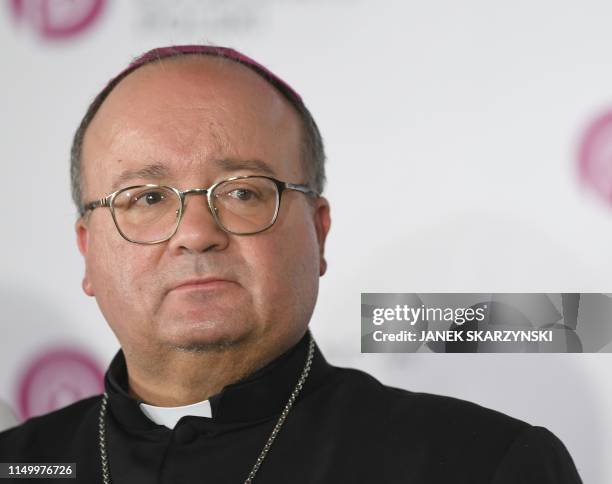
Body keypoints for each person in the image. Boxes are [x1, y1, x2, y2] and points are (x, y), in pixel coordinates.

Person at [0, 45, 583, 484]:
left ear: (319, 232)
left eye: (243, 191)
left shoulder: (481, 465)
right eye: (147, 198)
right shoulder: (18, 463)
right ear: (86, 251)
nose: (197, 234)